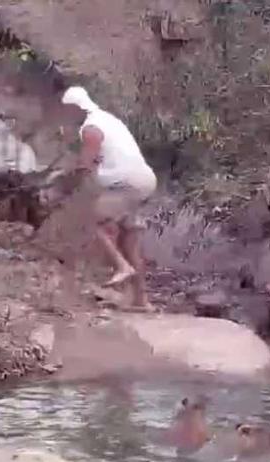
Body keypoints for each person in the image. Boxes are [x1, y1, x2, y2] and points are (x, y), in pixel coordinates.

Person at [61, 86, 158, 311]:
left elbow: (85, 165)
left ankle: (121, 266)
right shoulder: (107, 119)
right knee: (129, 241)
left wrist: (67, 184)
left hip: (127, 182)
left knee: (89, 219)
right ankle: (141, 301)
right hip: (143, 180)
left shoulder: (91, 128)